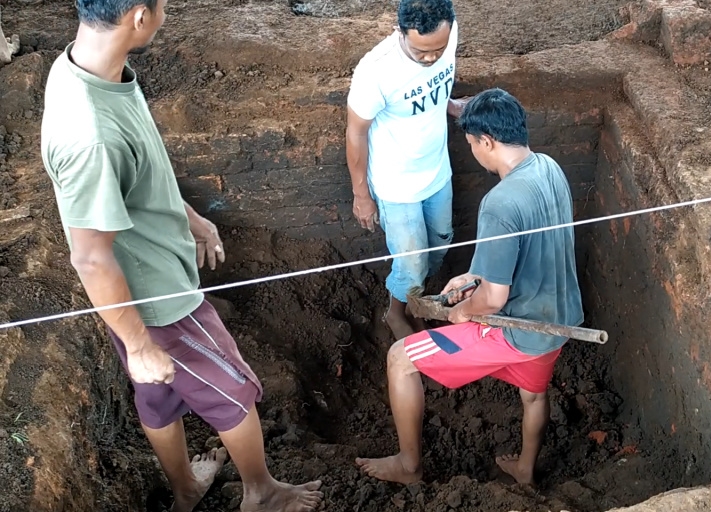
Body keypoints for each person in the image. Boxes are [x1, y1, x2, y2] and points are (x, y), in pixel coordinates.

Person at [39, 1, 323, 511]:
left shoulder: (92, 68)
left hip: (139, 291)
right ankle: (262, 493)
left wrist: (191, 217)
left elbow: (139, 173)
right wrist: (140, 341)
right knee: (234, 391)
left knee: (157, 396)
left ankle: (186, 487)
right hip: (159, 299)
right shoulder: (90, 134)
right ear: (139, 17)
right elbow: (90, 258)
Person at [356, 88, 585, 486]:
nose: (473, 152)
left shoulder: (499, 202)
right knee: (533, 395)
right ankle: (525, 471)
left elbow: (493, 300)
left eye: (471, 144)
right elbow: (531, 247)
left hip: (518, 330)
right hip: (561, 320)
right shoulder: (548, 166)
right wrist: (474, 278)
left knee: (400, 359)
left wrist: (464, 311)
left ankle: (409, 466)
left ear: (487, 142)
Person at [346, 0, 473, 340]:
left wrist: (451, 104)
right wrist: (362, 195)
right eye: (421, 52)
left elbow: (430, 87)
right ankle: (396, 312)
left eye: (438, 50)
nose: (431, 58)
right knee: (413, 262)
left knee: (441, 242)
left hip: (436, 171)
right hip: (395, 185)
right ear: (400, 32)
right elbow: (356, 132)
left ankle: (416, 299)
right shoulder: (376, 71)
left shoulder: (449, 31)